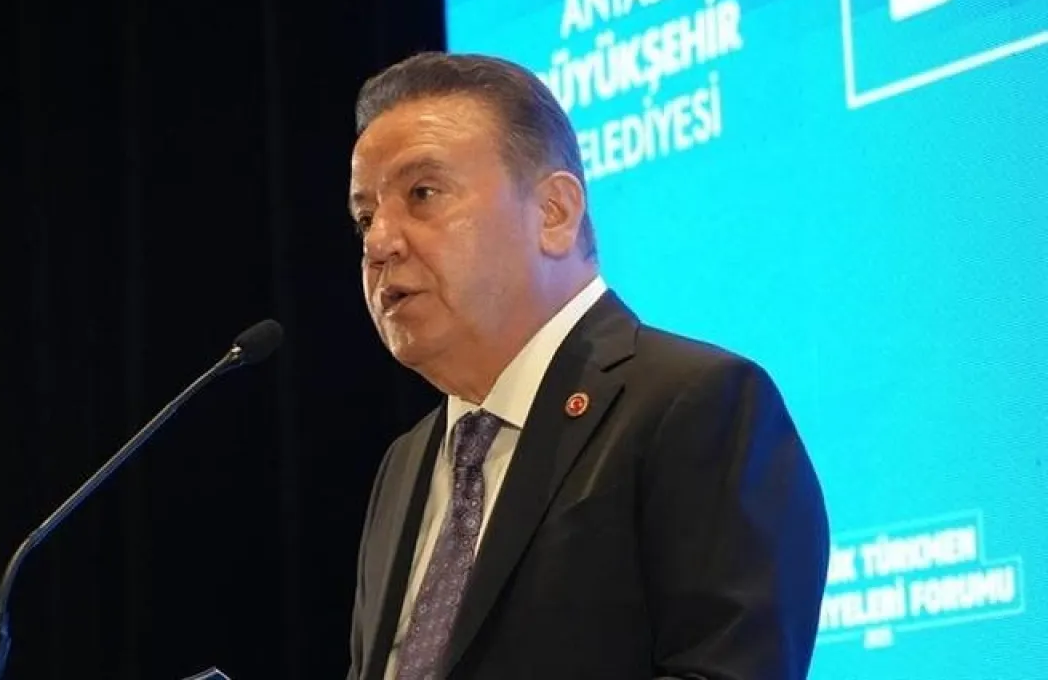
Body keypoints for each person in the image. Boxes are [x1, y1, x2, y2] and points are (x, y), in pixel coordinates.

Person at [344, 51, 830, 680]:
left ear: (554, 213)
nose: (379, 242)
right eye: (365, 216)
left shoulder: (697, 405)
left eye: (423, 194)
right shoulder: (405, 463)